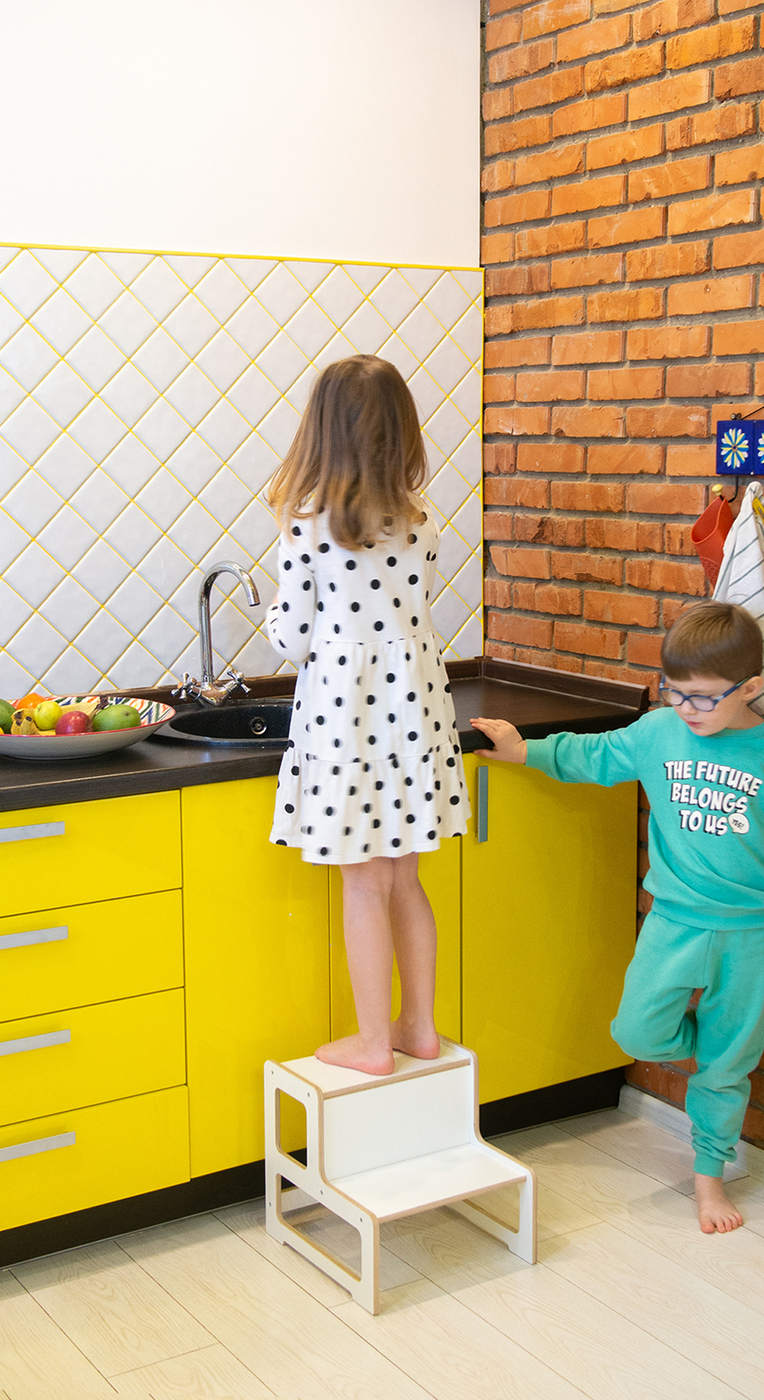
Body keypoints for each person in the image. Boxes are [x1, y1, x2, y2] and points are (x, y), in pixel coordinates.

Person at [471, 601, 764, 1234]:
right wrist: (525, 751)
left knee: (728, 1070)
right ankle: (716, 1053)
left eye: (703, 698)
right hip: (673, 923)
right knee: (638, 1032)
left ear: (749, 688)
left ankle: (709, 1178)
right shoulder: (658, 732)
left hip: (751, 934)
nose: (688, 709)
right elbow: (594, 755)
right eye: (676, 693)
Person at [265, 354, 469, 1076]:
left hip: (345, 722)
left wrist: (277, 617)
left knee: (364, 884)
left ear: (321, 434)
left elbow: (292, 638)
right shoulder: (420, 521)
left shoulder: (307, 527)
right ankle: (419, 1027)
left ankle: (372, 1042)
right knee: (405, 880)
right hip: (415, 714)